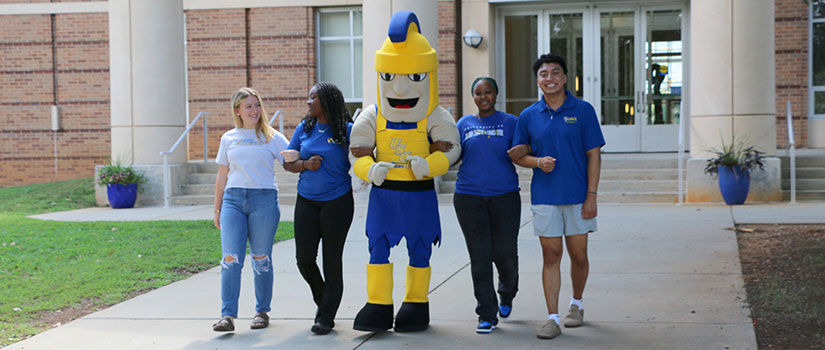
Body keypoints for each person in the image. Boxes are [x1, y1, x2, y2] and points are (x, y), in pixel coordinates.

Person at [349, 11, 461, 333]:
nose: (398, 89)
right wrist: (370, 169)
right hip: (384, 196)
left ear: (428, 76)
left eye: (413, 78)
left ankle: (416, 303)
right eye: (388, 78)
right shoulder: (372, 116)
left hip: (419, 196)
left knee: (420, 249)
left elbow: (452, 148)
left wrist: (431, 165)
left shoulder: (435, 117)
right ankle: (379, 303)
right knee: (378, 249)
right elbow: (356, 153)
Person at [508, 53, 605, 340]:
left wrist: (592, 196)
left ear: (564, 78)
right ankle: (552, 317)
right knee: (551, 255)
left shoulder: (583, 110)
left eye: (554, 73)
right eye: (543, 74)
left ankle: (576, 304)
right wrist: (537, 162)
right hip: (545, 196)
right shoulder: (527, 116)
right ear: (537, 81)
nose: (548, 78)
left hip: (578, 196)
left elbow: (594, 155)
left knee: (579, 255)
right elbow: (519, 155)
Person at [212, 87, 289, 332]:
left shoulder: (272, 137)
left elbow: (292, 160)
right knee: (230, 260)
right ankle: (227, 316)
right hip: (233, 202)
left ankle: (261, 311)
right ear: (238, 110)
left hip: (264, 201)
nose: (255, 111)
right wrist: (217, 209)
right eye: (249, 106)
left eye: (257, 105)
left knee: (261, 259)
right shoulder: (229, 138)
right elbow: (222, 175)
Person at [282, 82, 354, 335]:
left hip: (338, 202)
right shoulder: (304, 128)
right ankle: (326, 302)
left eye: (313, 97)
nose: (308, 102)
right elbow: (287, 163)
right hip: (307, 201)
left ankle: (325, 317)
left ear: (327, 101)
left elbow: (362, 157)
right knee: (304, 259)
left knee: (331, 261)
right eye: (308, 97)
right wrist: (304, 164)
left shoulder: (347, 130)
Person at [452, 77, 521, 334]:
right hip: (468, 197)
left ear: (496, 95)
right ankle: (486, 313)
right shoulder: (463, 124)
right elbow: (453, 157)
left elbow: (523, 152)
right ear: (473, 97)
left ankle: (507, 292)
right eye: (478, 93)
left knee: (505, 254)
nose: (483, 97)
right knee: (480, 256)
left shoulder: (510, 122)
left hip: (504, 197)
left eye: (488, 92)